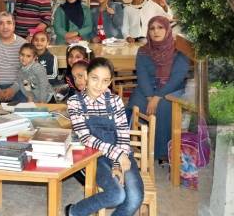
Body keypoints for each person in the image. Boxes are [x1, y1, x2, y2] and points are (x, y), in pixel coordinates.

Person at [65, 57, 144, 216]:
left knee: (135, 198)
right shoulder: (74, 102)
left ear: (110, 82)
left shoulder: (115, 101)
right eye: (95, 78)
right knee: (116, 196)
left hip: (121, 152)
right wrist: (118, 156)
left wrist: (117, 164)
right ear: (86, 76)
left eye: (105, 81)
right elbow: (86, 138)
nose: (99, 85)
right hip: (94, 157)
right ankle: (74, 211)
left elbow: (123, 134)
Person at [127, 16, 189, 161]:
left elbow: (177, 78)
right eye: (152, 28)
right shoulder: (143, 50)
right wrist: (150, 97)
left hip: (172, 89)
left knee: (164, 107)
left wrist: (157, 97)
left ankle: (162, 151)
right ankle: (136, 146)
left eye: (160, 27)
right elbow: (142, 76)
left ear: (167, 30)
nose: (156, 31)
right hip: (147, 88)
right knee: (137, 104)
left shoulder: (179, 50)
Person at [0, 12, 27, 103]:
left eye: (9, 23)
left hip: (18, 86)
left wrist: (14, 89)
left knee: (23, 107)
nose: (5, 27)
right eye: (1, 23)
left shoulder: (23, 44)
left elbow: (27, 70)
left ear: (14, 25)